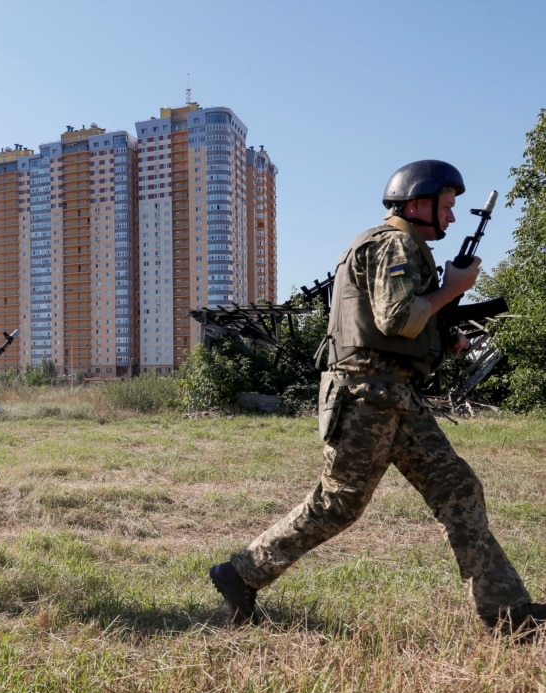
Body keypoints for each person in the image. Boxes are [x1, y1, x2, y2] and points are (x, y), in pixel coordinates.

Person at [209, 160, 546, 638]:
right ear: (416, 204)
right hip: (367, 397)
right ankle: (239, 574)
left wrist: (441, 336)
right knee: (337, 504)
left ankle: (507, 613)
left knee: (458, 488)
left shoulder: (398, 246)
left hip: (393, 396)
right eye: (446, 208)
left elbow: (399, 327)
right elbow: (398, 318)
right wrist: (453, 288)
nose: (450, 218)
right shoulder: (394, 244)